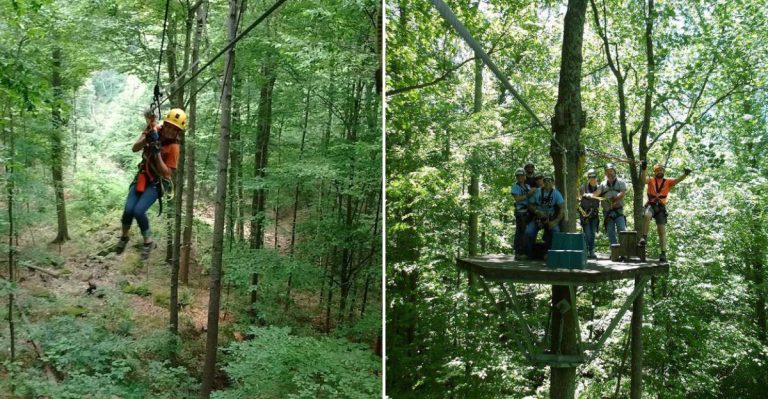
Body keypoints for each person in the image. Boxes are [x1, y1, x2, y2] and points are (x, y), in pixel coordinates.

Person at [116, 108, 187, 260]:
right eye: (168, 126)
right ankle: (124, 237)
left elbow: (166, 173)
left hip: (157, 182)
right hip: (143, 176)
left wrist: (157, 153)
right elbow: (135, 148)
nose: (170, 131)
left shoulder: (174, 148)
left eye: (174, 129)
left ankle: (148, 241)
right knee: (128, 209)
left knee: (138, 211)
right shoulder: (153, 130)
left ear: (178, 132)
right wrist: (146, 139)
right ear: (165, 124)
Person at [638, 161, 692, 262]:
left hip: (661, 207)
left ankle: (663, 253)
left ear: (663, 171)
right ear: (654, 172)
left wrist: (685, 174)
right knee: (646, 215)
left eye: (661, 170)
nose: (660, 172)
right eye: (657, 170)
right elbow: (643, 180)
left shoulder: (668, 181)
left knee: (661, 230)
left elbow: (677, 180)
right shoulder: (651, 180)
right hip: (651, 205)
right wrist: (644, 169)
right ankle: (644, 237)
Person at [524, 175, 564, 259]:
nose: (548, 183)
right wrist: (537, 211)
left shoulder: (556, 193)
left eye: (550, 181)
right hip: (538, 218)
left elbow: (562, 208)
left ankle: (551, 254)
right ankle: (528, 254)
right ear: (543, 182)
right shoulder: (537, 192)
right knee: (528, 232)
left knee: (556, 231)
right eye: (545, 181)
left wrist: (555, 221)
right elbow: (530, 204)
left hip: (551, 218)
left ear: (553, 183)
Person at [589, 163, 627, 245]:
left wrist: (615, 199)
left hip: (618, 210)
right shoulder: (603, 184)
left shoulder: (620, 182)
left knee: (622, 230)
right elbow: (597, 193)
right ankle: (614, 250)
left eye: (611, 171)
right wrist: (588, 195)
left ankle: (623, 249)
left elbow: (622, 193)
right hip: (607, 212)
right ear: (605, 173)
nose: (609, 173)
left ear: (614, 171)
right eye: (607, 171)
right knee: (610, 232)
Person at [511, 168, 538, 256]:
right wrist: (528, 194)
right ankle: (519, 252)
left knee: (528, 231)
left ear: (525, 177)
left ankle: (527, 251)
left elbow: (533, 196)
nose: (520, 177)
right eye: (518, 176)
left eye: (522, 175)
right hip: (521, 212)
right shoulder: (515, 186)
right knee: (521, 231)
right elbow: (517, 199)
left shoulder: (527, 186)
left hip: (529, 211)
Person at [578, 169, 600, 259]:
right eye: (590, 177)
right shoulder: (583, 187)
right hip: (585, 214)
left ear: (596, 177)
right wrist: (585, 195)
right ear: (588, 178)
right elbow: (579, 197)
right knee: (587, 233)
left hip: (594, 214)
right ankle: (585, 250)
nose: (592, 178)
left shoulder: (599, 188)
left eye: (593, 176)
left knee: (593, 233)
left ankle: (591, 251)